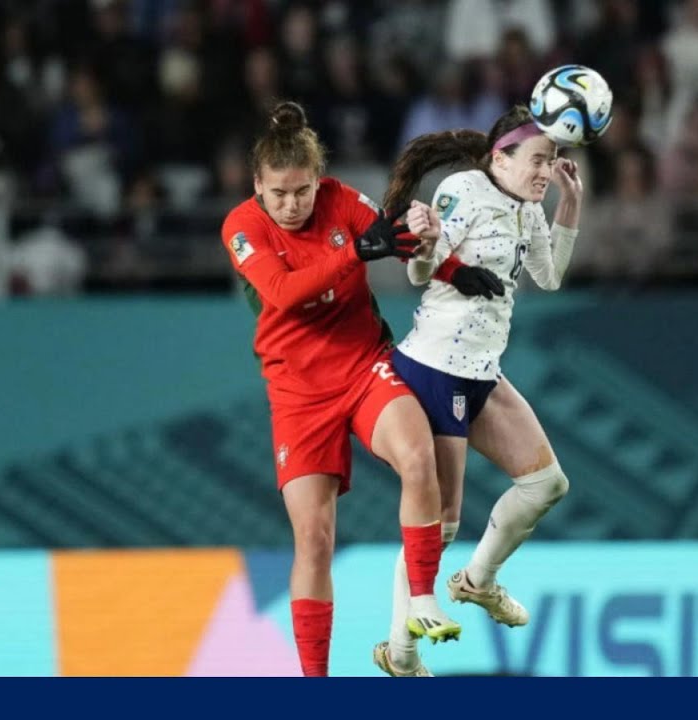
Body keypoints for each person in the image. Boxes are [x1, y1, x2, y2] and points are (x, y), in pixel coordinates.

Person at [220, 101, 460, 677]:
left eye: (301, 190)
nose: (291, 204)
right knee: (314, 537)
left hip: (362, 365)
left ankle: (422, 600)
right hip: (298, 391)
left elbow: (394, 237)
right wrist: (354, 251)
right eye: (277, 193)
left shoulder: (344, 200)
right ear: (258, 185)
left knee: (417, 453)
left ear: (317, 179)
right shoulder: (241, 226)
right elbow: (281, 293)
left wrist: (441, 258)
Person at [372, 105, 583, 676]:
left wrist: (568, 202)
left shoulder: (530, 207)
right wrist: (440, 259)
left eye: (553, 159)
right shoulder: (463, 189)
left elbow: (551, 276)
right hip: (438, 367)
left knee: (545, 484)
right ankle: (401, 652)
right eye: (538, 159)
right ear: (501, 157)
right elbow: (418, 270)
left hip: (482, 370)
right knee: (439, 523)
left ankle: (477, 581)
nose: (546, 168)